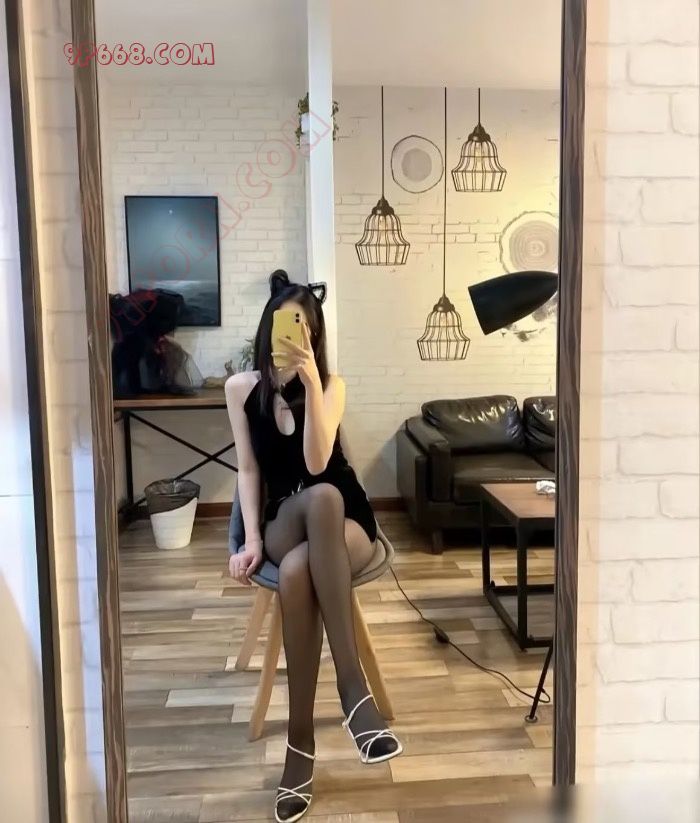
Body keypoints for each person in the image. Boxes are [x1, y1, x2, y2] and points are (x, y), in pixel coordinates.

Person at [225, 270, 402, 823]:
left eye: (308, 328)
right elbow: (249, 470)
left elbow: (319, 462)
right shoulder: (241, 389)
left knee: (311, 536)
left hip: (345, 522)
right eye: (288, 325)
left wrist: (309, 381)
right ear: (269, 328)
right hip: (285, 517)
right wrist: (251, 540)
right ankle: (353, 690)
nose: (299, 335)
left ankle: (299, 746)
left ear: (315, 335)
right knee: (315, 504)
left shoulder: (332, 385)